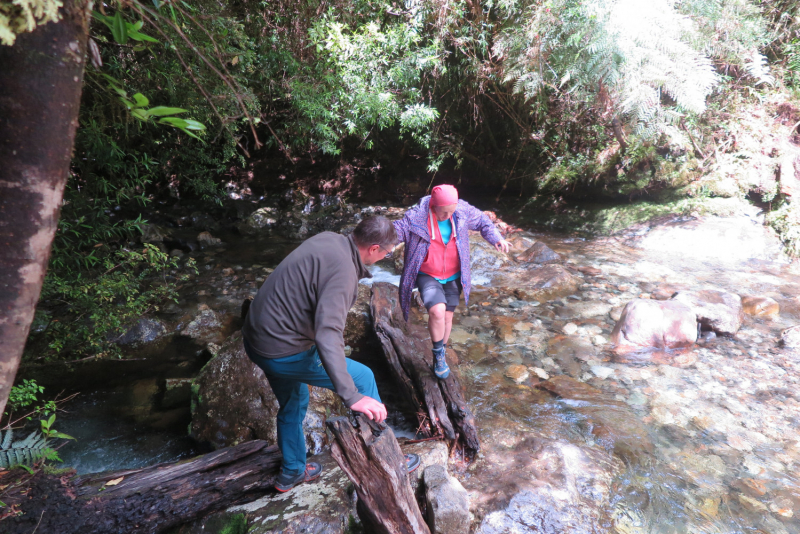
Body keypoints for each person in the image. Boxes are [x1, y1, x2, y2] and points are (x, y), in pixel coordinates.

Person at [241, 216, 419, 493]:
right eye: (387, 252)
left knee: (295, 401)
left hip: (257, 339)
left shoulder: (328, 238)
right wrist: (352, 396)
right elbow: (328, 334)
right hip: (282, 349)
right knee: (363, 378)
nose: (386, 257)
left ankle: (291, 472)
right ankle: (389, 460)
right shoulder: (344, 274)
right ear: (373, 248)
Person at [393, 185, 510, 379]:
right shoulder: (416, 216)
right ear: (433, 205)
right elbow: (396, 231)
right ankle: (439, 353)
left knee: (447, 317)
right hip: (427, 273)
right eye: (443, 211)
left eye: (451, 211)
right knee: (436, 311)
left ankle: (440, 353)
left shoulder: (462, 211)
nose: (448, 215)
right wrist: (376, 243)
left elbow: (483, 221)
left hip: (454, 275)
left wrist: (496, 238)